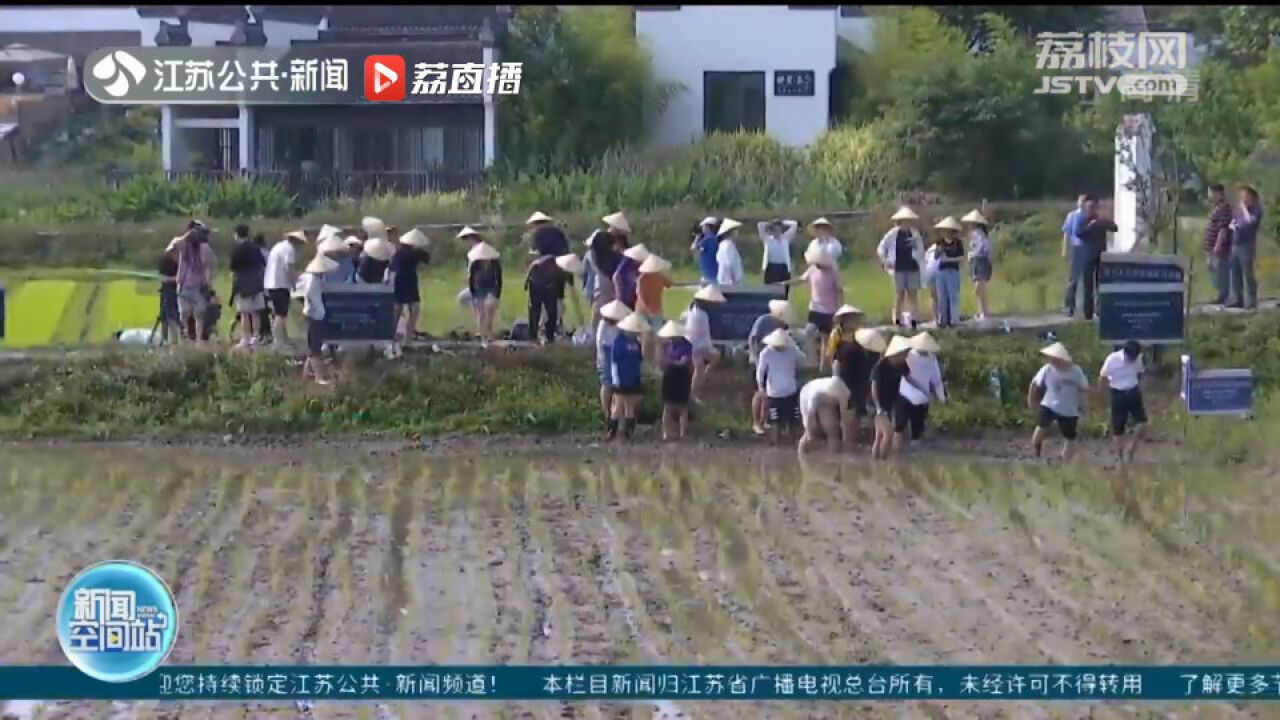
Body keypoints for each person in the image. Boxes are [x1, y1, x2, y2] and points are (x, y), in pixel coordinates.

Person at [829, 316, 884, 450]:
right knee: (850, 418)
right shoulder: (842, 341)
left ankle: (849, 449)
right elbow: (835, 361)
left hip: (858, 383)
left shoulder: (861, 344)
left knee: (855, 417)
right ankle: (847, 448)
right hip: (848, 383)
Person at [1029, 341, 1089, 461]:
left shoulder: (1076, 371)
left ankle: (1065, 460)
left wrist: (1084, 406)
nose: (1052, 361)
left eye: (1054, 358)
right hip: (1049, 405)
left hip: (1069, 409)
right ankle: (1036, 454)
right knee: (1041, 429)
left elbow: (1083, 388)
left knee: (1070, 436)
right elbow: (1034, 385)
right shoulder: (1047, 370)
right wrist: (1031, 400)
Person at [1062, 195, 1118, 320]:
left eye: (1094, 207)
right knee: (1087, 285)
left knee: (1100, 284)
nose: (1092, 209)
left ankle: (1099, 310)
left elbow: (1114, 228)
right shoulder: (1084, 219)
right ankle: (1087, 312)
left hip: (1100, 255)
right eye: (1090, 207)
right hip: (1086, 255)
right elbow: (1079, 233)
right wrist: (1091, 225)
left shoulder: (1101, 219)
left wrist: (1105, 221)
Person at [748, 299, 794, 435]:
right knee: (760, 392)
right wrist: (756, 358)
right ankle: (756, 423)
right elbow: (753, 339)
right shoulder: (763, 321)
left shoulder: (783, 326)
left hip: (774, 361)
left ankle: (765, 420)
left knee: (771, 393)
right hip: (758, 358)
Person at [1099, 339, 1147, 465]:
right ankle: (1120, 458)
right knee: (1118, 428)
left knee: (1142, 423)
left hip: (1133, 392)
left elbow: (1140, 373)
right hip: (1118, 393)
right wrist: (1103, 395)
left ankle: (1131, 450)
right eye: (1130, 357)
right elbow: (1103, 377)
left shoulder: (1138, 358)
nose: (1132, 360)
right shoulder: (1112, 359)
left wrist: (1138, 387)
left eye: (1134, 357)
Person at [876, 207, 925, 328]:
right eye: (904, 221)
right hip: (898, 268)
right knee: (899, 295)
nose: (906, 223)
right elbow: (881, 248)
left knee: (912, 294)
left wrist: (915, 247)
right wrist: (886, 261)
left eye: (908, 220)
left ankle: (914, 319)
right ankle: (897, 319)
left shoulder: (915, 233)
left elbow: (921, 251)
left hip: (912, 267)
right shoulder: (893, 234)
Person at [756, 328, 805, 447]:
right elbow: (760, 372)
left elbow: (803, 360)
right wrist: (761, 387)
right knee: (775, 422)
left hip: (790, 391)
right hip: (774, 393)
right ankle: (777, 445)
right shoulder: (766, 353)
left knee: (793, 421)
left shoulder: (792, 351)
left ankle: (793, 445)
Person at [781, 246, 843, 337]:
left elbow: (839, 290)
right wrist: (786, 283)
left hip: (828, 310)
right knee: (809, 332)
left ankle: (823, 350)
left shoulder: (832, 273)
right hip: (815, 308)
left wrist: (840, 308)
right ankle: (811, 349)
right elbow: (801, 279)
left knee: (825, 336)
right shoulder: (812, 270)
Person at [897, 332, 946, 447]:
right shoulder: (908, 356)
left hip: (921, 398)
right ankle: (898, 454)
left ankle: (911, 454)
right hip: (905, 396)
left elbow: (936, 380)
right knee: (899, 428)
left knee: (916, 430)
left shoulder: (931, 359)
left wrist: (941, 397)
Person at [297, 254, 338, 386]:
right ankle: (318, 377)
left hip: (314, 315)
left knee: (313, 345)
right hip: (316, 316)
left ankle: (306, 373)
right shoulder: (314, 280)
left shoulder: (313, 278)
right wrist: (312, 307)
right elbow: (309, 294)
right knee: (315, 347)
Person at [870, 335, 913, 460]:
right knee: (885, 435)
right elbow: (874, 387)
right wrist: (878, 408)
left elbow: (909, 379)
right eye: (904, 353)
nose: (906, 355)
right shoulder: (880, 366)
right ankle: (882, 463)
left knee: (881, 435)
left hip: (893, 401)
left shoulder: (902, 364)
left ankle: (879, 464)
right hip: (878, 402)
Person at [264, 229, 308, 348]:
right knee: (280, 313)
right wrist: (294, 284)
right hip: (280, 284)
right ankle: (279, 341)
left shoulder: (278, 246)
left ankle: (283, 338)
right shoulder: (289, 250)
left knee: (279, 312)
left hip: (271, 283)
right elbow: (289, 268)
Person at [610, 312, 649, 441]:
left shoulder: (636, 343)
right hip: (621, 377)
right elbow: (614, 361)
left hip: (633, 377)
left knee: (630, 405)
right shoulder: (618, 342)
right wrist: (616, 379)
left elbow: (639, 360)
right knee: (618, 405)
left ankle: (629, 432)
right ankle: (612, 431)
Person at [175, 223, 216, 344]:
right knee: (198, 316)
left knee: (184, 315)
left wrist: (186, 235)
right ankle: (197, 340)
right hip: (197, 286)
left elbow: (175, 243)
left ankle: (183, 339)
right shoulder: (205, 248)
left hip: (185, 286)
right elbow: (211, 265)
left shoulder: (185, 247)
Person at [588, 212, 630, 329]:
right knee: (600, 306)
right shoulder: (601, 237)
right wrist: (599, 272)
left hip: (618, 276)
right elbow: (592, 255)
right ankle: (594, 332)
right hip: (603, 275)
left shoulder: (622, 240)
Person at [685, 284, 725, 404]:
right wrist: (710, 347)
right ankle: (694, 393)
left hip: (695, 344)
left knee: (714, 358)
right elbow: (706, 335)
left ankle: (703, 379)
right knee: (699, 368)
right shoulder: (701, 315)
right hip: (694, 346)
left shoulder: (693, 309)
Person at [229, 224, 266, 348]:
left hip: (243, 284)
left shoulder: (237, 250)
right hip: (256, 283)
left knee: (244, 312)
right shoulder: (255, 248)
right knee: (255, 312)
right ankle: (256, 337)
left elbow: (233, 268)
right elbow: (262, 263)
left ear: (237, 234)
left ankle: (246, 338)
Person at [391, 228, 431, 341]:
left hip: (401, 280)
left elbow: (392, 267)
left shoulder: (399, 253)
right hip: (408, 280)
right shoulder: (413, 253)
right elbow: (427, 258)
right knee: (412, 308)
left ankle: (394, 334)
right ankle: (407, 335)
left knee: (399, 308)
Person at [657, 319, 693, 442]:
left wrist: (670, 362)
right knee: (668, 406)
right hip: (669, 377)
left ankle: (683, 433)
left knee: (683, 407)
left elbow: (684, 362)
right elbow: (661, 361)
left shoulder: (687, 345)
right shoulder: (667, 345)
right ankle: (666, 433)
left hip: (682, 377)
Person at [1228, 184, 1263, 310]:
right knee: (1235, 272)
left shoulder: (1256, 209)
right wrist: (1233, 225)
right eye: (1241, 196)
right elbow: (1233, 222)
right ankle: (1237, 298)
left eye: (1245, 196)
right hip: (1235, 243)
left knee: (1247, 273)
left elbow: (1250, 221)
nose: (1243, 199)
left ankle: (1252, 300)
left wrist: (1244, 209)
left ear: (1252, 197)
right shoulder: (1238, 210)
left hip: (1247, 245)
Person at [596, 299, 629, 425]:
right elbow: (604, 346)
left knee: (615, 387)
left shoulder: (617, 326)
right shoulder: (604, 326)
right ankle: (607, 413)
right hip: (607, 357)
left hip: (615, 357)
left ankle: (615, 413)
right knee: (607, 385)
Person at [798, 375, 851, 454]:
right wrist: (810, 434)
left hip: (826, 400)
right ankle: (802, 454)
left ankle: (833, 459)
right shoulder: (816, 395)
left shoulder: (842, 391)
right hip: (807, 395)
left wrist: (845, 442)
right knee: (810, 433)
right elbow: (811, 417)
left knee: (833, 432)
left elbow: (844, 420)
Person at [636, 253, 673, 361]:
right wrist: (649, 309)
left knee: (658, 339)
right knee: (646, 337)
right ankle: (646, 362)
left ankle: (656, 363)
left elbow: (670, 284)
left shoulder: (658, 276)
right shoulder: (641, 279)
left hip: (655, 311)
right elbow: (641, 297)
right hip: (644, 311)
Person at [1204, 183, 1234, 307]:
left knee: (1220, 272)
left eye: (1210, 192)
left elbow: (1223, 228)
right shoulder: (1215, 207)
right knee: (1213, 271)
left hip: (1219, 248)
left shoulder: (1224, 207)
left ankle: (1223, 296)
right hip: (1210, 247)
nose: (1209, 195)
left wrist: (1218, 245)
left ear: (1218, 193)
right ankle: (1220, 295)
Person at [467, 241, 503, 346]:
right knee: (481, 314)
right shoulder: (475, 265)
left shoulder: (495, 265)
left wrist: (497, 294)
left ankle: (489, 334)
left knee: (490, 311)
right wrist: (473, 293)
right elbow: (471, 279)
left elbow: (499, 280)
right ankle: (482, 336)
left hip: (491, 288)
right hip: (478, 289)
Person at [526, 251, 565, 345]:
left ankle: (536, 337)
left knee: (538, 311)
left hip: (537, 283)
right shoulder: (562, 269)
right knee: (549, 312)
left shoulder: (555, 263)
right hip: (539, 284)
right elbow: (560, 291)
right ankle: (547, 337)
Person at [933, 216, 964, 328]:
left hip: (953, 271)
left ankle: (954, 320)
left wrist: (950, 259)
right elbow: (936, 257)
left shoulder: (958, 242)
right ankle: (943, 320)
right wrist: (938, 251)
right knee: (942, 296)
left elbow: (961, 258)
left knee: (953, 296)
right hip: (942, 271)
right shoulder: (939, 242)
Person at [962, 209, 993, 321]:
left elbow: (982, 249)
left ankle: (984, 311)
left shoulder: (980, 234)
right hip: (976, 261)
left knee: (979, 288)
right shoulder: (974, 234)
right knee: (979, 289)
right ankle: (981, 311)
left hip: (980, 261)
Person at [757, 218, 797, 298]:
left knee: (784, 291)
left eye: (779, 228)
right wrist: (771, 223)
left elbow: (794, 224)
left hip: (783, 268)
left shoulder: (786, 238)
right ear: (771, 230)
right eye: (775, 229)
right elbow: (760, 225)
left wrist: (781, 222)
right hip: (771, 268)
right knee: (770, 292)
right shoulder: (767, 239)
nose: (777, 231)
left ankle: (782, 307)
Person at [157, 237, 182, 344]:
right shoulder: (166, 260)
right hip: (167, 292)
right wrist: (176, 279)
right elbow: (163, 278)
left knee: (174, 317)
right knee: (166, 318)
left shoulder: (183, 260)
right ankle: (165, 341)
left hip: (178, 292)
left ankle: (174, 342)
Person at [614, 243, 649, 310]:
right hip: (625, 297)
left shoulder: (639, 266)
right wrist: (619, 293)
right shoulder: (625, 264)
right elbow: (616, 276)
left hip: (634, 297)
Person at [254, 233, 273, 343]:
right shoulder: (268, 253)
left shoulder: (257, 253)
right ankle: (267, 333)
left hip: (260, 284)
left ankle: (264, 334)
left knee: (261, 311)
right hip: (268, 283)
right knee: (266, 310)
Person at [715, 218, 745, 288]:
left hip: (725, 281)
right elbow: (729, 263)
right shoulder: (728, 245)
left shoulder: (723, 244)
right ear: (730, 232)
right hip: (730, 283)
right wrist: (734, 279)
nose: (737, 232)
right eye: (735, 230)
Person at [691, 216, 720, 286]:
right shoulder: (715, 238)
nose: (702, 228)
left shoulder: (707, 239)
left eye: (703, 226)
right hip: (714, 271)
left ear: (707, 227)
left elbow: (693, 248)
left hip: (708, 273)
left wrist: (697, 238)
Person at [922, 237, 942, 326]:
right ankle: (938, 318)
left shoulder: (930, 249)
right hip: (937, 274)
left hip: (929, 273)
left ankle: (935, 318)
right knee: (938, 297)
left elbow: (925, 261)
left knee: (933, 297)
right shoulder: (943, 249)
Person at [1061, 194, 1086, 260]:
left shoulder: (1091, 216)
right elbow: (1066, 233)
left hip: (1087, 248)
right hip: (1074, 247)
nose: (1082, 203)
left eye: (1085, 201)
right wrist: (1065, 249)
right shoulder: (1071, 216)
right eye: (1081, 201)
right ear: (1077, 202)